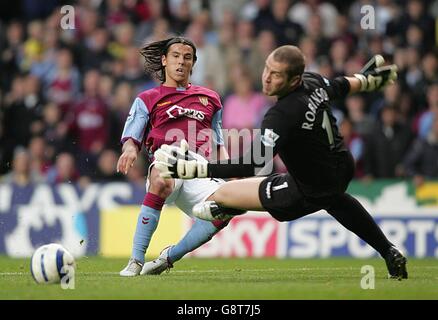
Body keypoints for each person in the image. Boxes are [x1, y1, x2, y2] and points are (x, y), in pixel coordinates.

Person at [154, 46, 408, 280]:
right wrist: (366, 81)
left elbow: (252, 164)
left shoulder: (281, 116)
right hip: (340, 166)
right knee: (337, 202)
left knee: (222, 194)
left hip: (307, 188)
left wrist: (198, 169)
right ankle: (390, 252)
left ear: (294, 80)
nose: (266, 78)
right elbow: (340, 85)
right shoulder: (314, 81)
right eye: (267, 69)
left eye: (275, 75)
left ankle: (230, 208)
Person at [117, 37, 238, 277]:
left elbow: (218, 143)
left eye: (187, 57)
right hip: (167, 158)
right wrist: (130, 149)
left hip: (200, 168)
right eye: (175, 56)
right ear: (164, 60)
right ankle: (135, 260)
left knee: (226, 209)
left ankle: (168, 257)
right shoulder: (147, 98)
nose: (181, 62)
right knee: (163, 178)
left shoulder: (211, 98)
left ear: (193, 63)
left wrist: (229, 173)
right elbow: (132, 137)